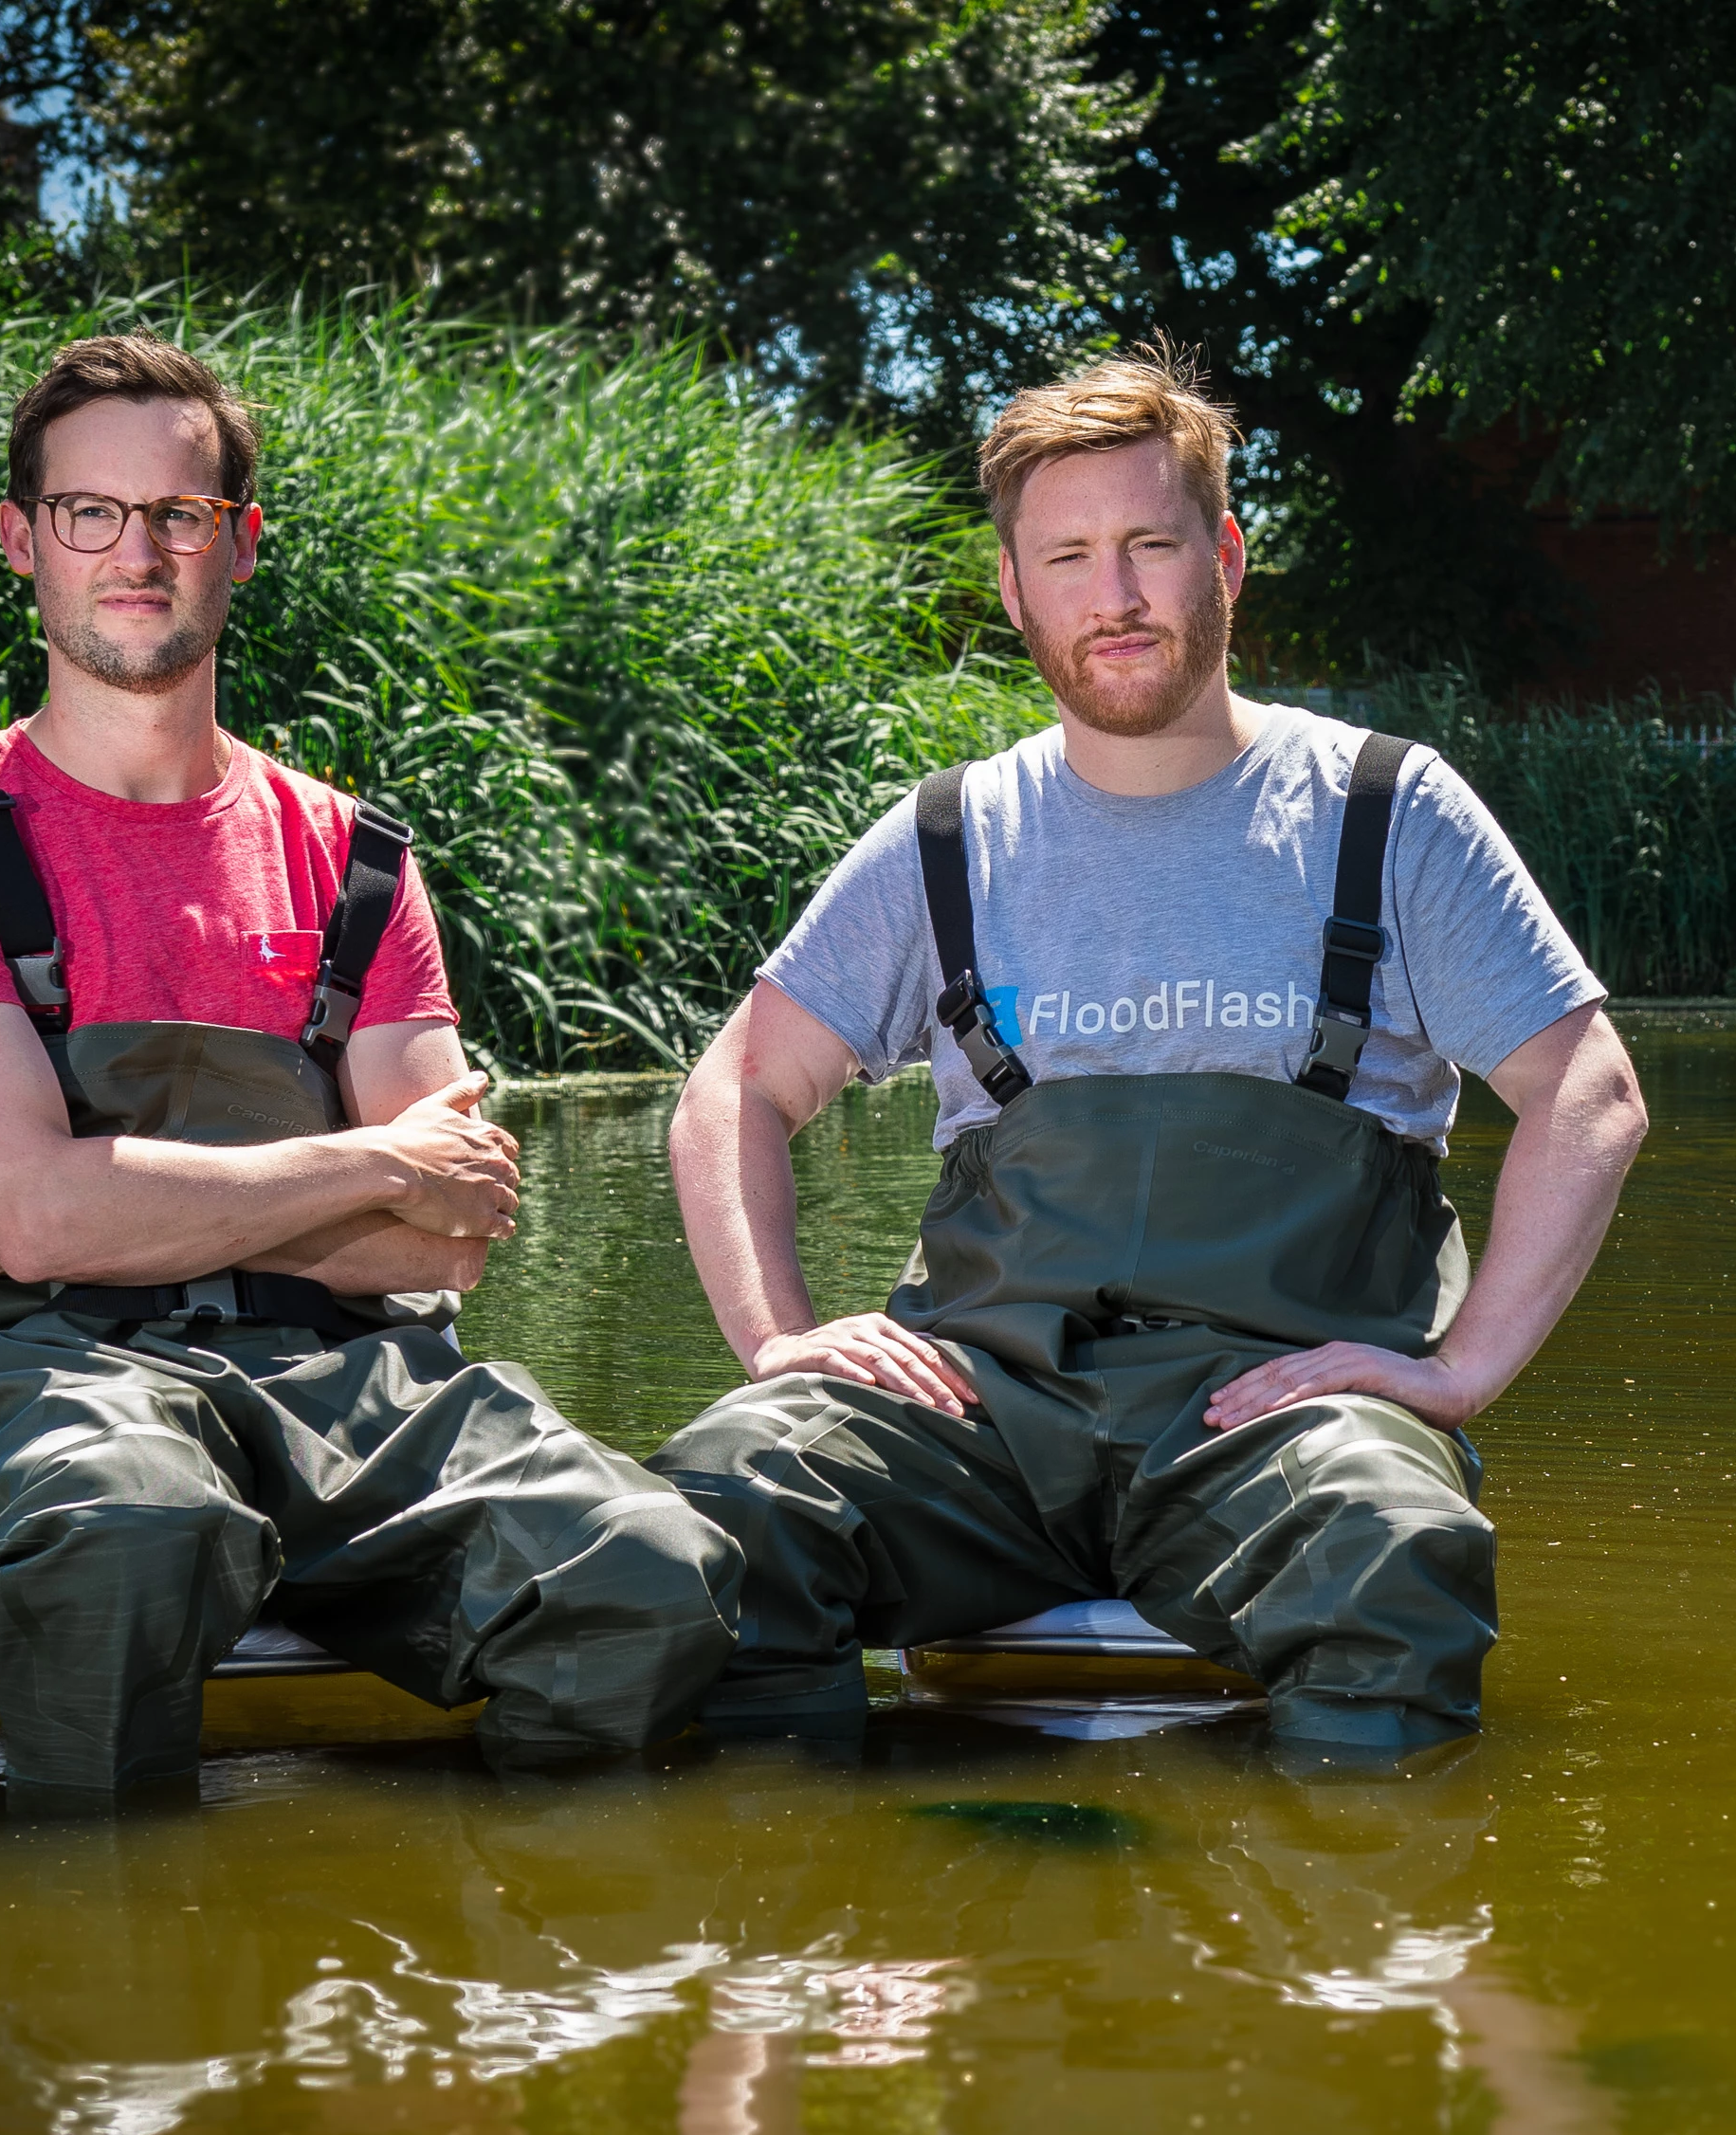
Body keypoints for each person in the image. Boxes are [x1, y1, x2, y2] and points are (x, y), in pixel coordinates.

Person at [649, 347, 1648, 1746]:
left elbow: (1587, 1097)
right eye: (1064, 557)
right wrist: (782, 1342)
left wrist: (1458, 1375)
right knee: (723, 1499)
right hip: (978, 1418)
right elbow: (731, 1093)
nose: (1110, 598)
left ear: (1225, 557)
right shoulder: (946, 836)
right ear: (1011, 589)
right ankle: (857, 1908)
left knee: (1390, 1545)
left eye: (1147, 546)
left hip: (1271, 1421)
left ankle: (1332, 1938)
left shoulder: (1385, 809)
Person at [0, 334, 736, 1798]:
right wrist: (373, 1162)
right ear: (23, 540)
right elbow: (51, 1224)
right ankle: (90, 1960)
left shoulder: (359, 860)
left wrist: (81, 1193)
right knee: (137, 1529)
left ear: (239, 545)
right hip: (47, 1380)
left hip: (350, 1375)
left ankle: (455, 1961)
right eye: (90, 513)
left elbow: (445, 1249)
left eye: (179, 514)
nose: (137, 552)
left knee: (647, 1568)